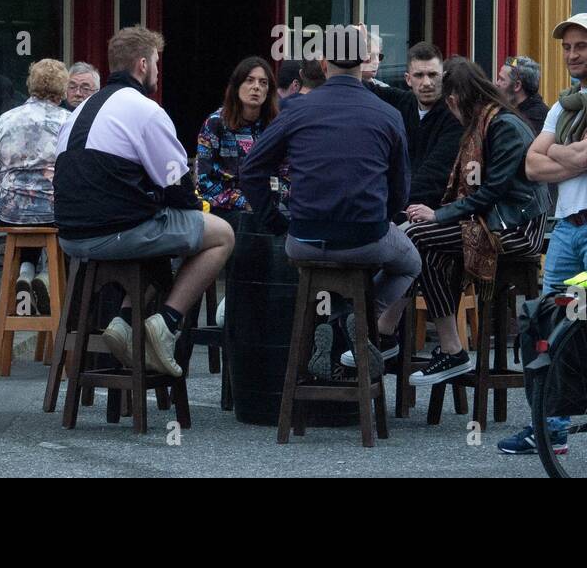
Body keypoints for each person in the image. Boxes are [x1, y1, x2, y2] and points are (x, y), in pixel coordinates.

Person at [54, 27, 234, 377]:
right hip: (116, 233)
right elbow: (178, 186)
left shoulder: (80, 110)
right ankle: (166, 323)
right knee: (220, 234)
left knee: (161, 232)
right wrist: (195, 210)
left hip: (71, 237)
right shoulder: (144, 109)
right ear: (142, 64)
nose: (157, 69)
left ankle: (124, 322)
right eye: (155, 62)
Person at [242, 24, 419, 374]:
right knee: (411, 262)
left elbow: (251, 170)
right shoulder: (388, 114)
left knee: (326, 271)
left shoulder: (295, 110)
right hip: (365, 238)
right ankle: (359, 318)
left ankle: (340, 318)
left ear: (323, 64)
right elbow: (401, 190)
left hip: (304, 239)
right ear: (364, 63)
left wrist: (275, 221)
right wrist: (378, 218)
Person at [512, 12, 587, 459]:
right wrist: (577, 155)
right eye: (566, 47)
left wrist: (565, 154)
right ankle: (552, 428)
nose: (571, 54)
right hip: (565, 228)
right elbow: (531, 166)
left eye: (581, 45)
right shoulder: (564, 104)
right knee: (553, 328)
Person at [405, 58, 548, 387]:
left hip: (517, 228)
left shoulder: (503, 126)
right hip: (495, 219)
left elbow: (491, 192)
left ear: (454, 100)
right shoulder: (488, 121)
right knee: (428, 250)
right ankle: (450, 350)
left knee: (416, 236)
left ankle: (385, 335)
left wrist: (438, 215)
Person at [0, 59, 70, 314]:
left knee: (30, 223)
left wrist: (14, 190)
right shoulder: (68, 120)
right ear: (63, 88)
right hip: (55, 209)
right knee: (65, 225)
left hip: (12, 211)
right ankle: (47, 275)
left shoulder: (7, 118)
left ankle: (26, 270)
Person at [364, 41, 462, 220]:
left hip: (431, 212)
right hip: (395, 208)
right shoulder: (404, 102)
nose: (427, 83)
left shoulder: (454, 117)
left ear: (444, 77)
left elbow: (433, 175)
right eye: (419, 75)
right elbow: (359, 86)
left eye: (433, 75)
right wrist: (358, 49)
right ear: (408, 79)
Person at [196, 56, 278, 221]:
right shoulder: (215, 123)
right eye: (249, 80)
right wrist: (243, 202)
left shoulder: (275, 127)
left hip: (267, 210)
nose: (256, 87)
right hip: (224, 212)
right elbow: (204, 182)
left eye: (263, 83)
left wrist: (271, 199)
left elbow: (285, 173)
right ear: (237, 86)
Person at [496, 55, 549, 133]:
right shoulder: (510, 110)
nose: (497, 83)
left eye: (502, 79)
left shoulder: (534, 119)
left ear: (517, 86)